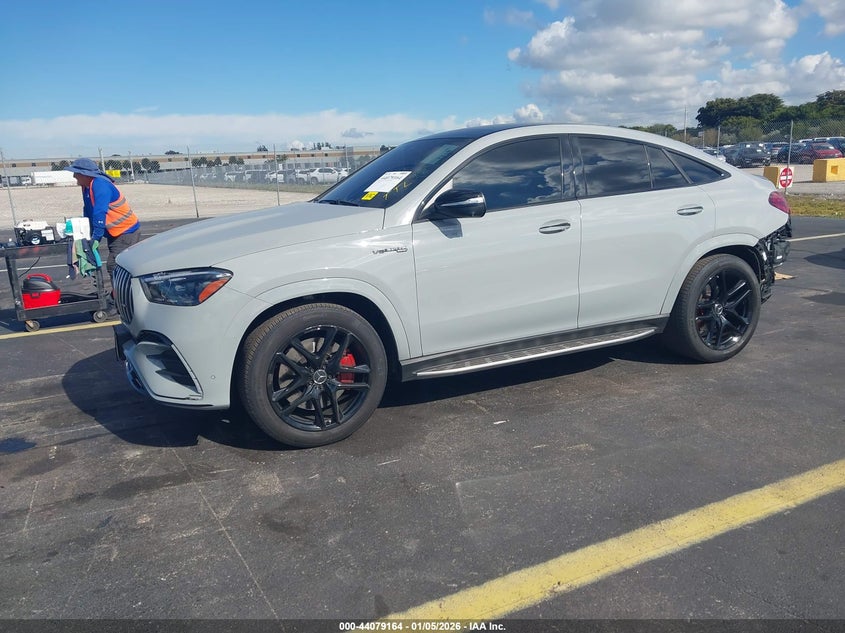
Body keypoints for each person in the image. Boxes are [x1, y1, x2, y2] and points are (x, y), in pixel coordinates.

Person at [64, 158, 140, 305]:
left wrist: (96, 238)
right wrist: (88, 232)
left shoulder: (100, 184)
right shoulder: (87, 186)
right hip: (115, 232)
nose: (74, 176)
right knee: (117, 266)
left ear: (85, 174)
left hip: (126, 231)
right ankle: (120, 298)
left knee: (115, 266)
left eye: (76, 173)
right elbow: (88, 210)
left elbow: (99, 212)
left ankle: (122, 302)